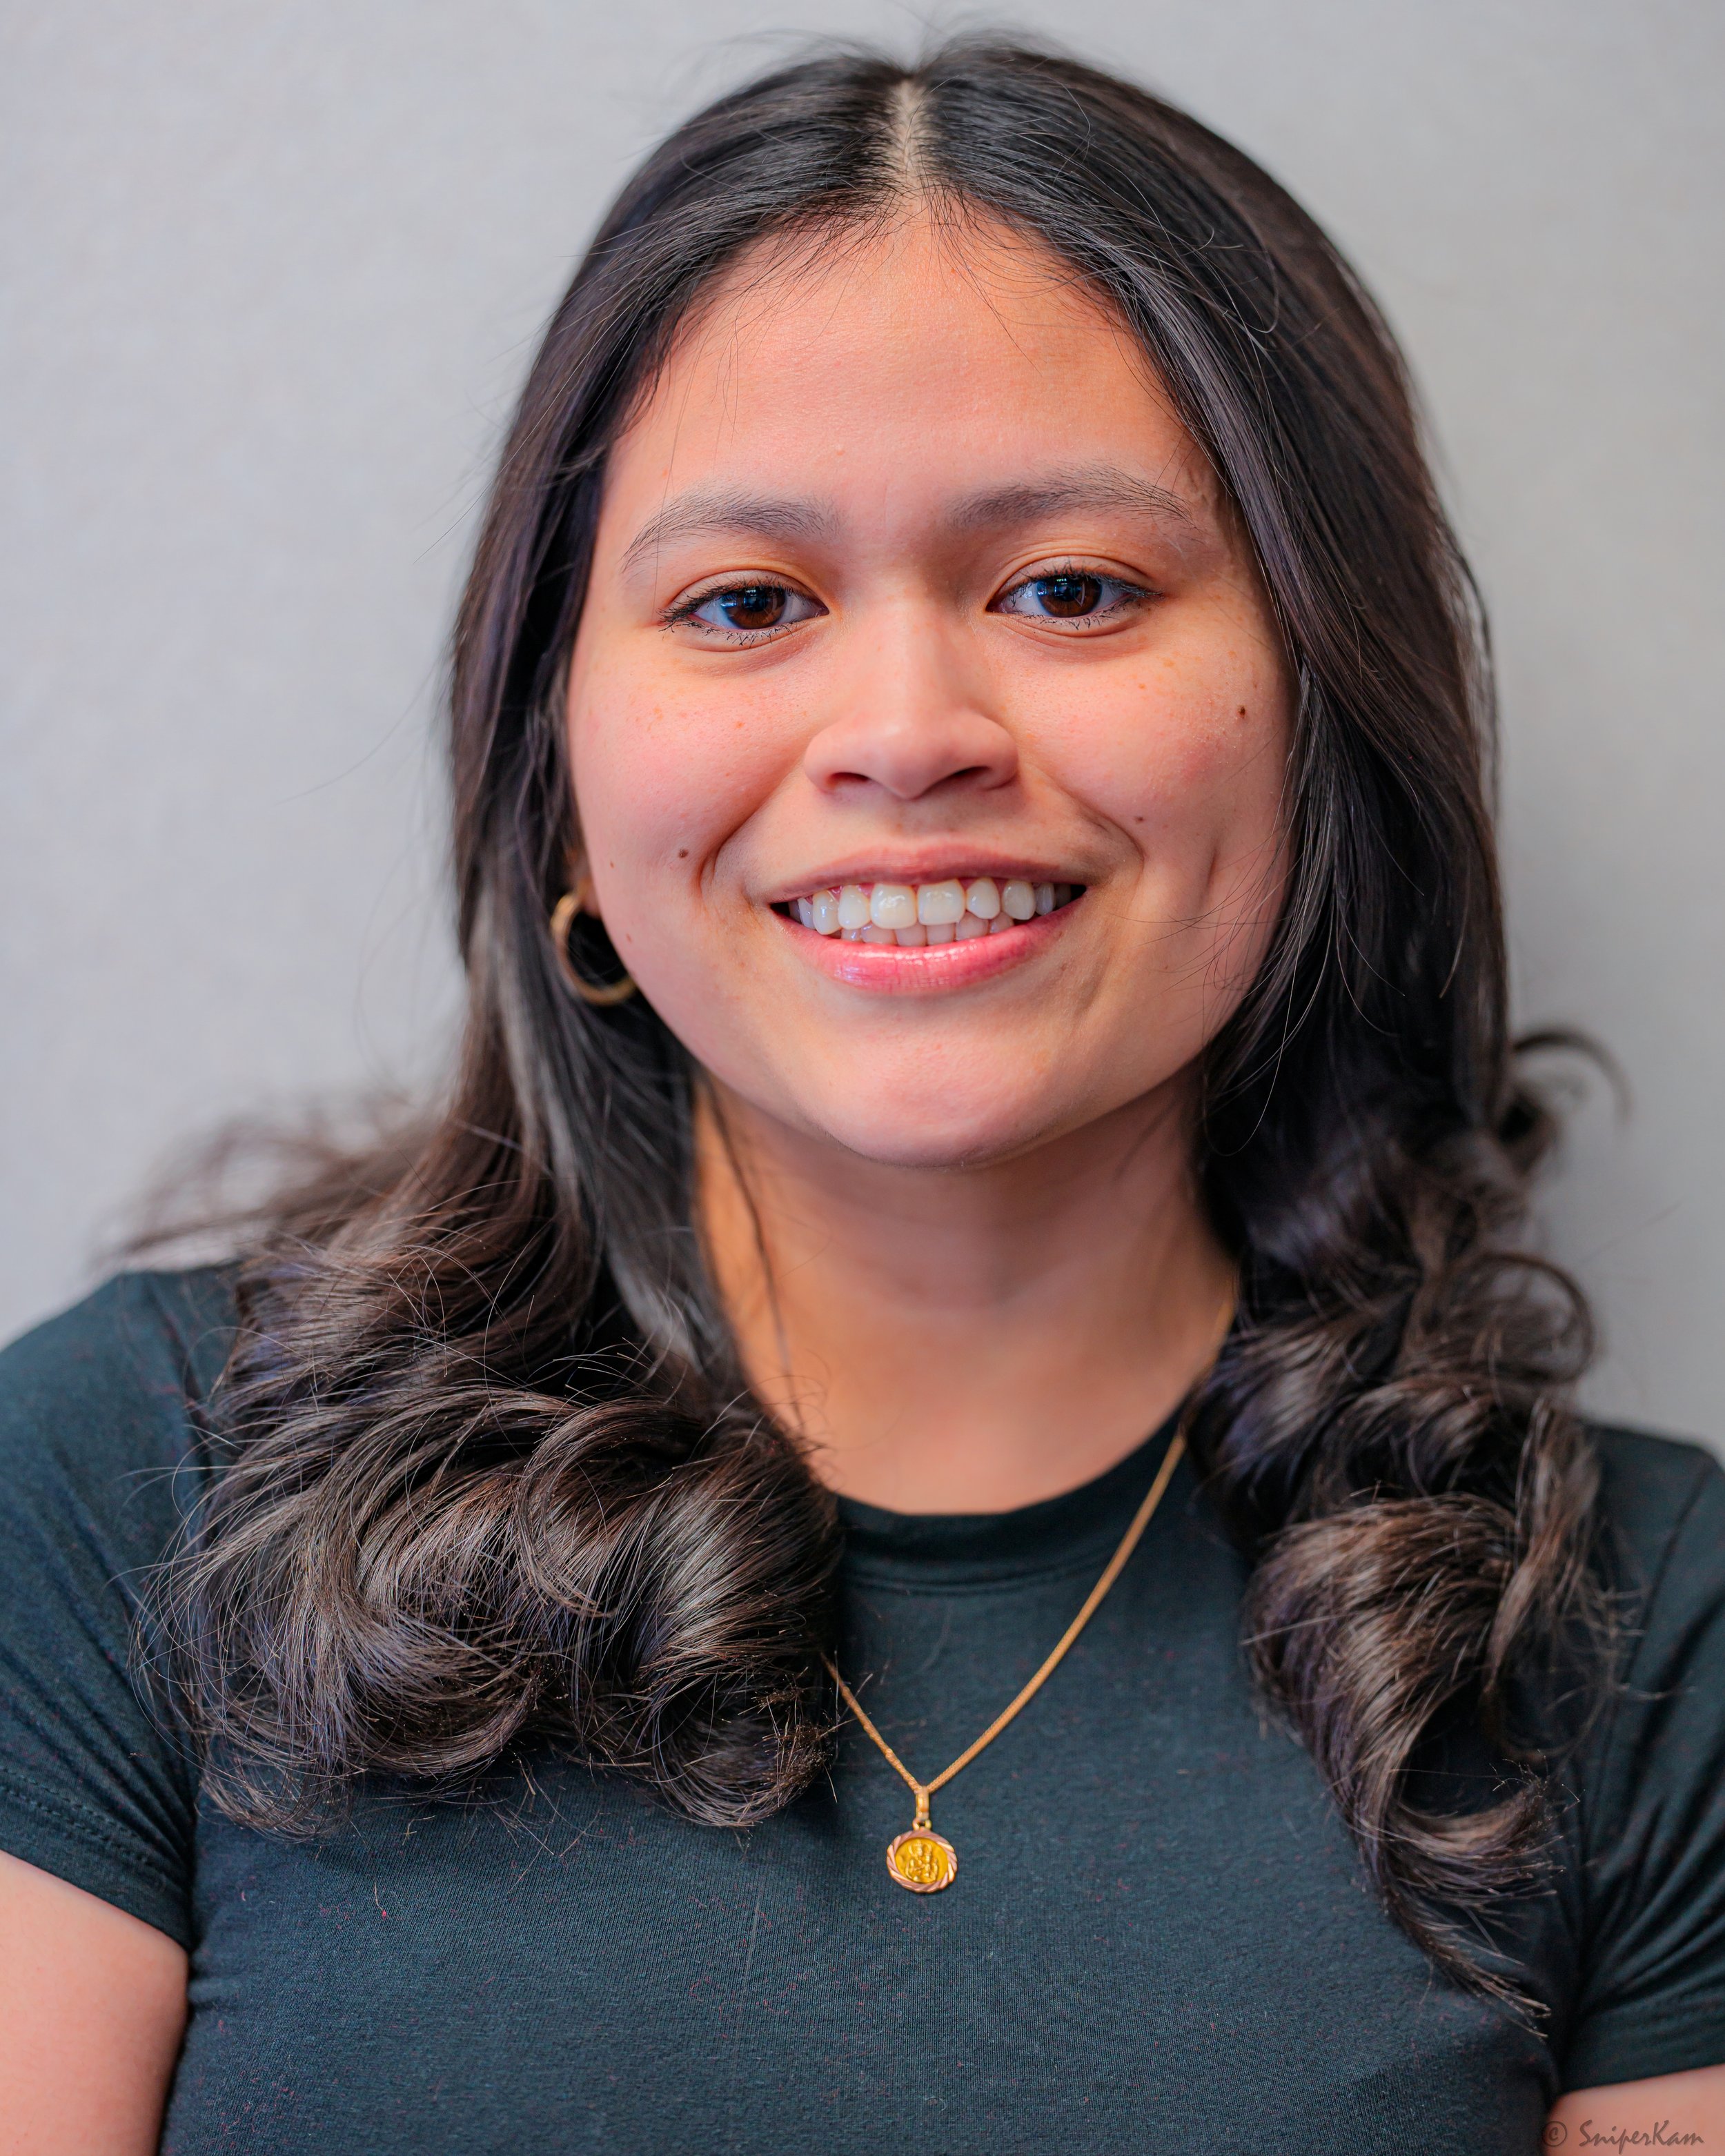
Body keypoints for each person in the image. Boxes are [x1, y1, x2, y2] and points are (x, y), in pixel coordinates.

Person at [1, 39, 1721, 2155]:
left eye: (1069, 588)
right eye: (746, 605)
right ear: (562, 785)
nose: (905, 730)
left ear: (1322, 719)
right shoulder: (122, 1494)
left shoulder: (1651, 1638)